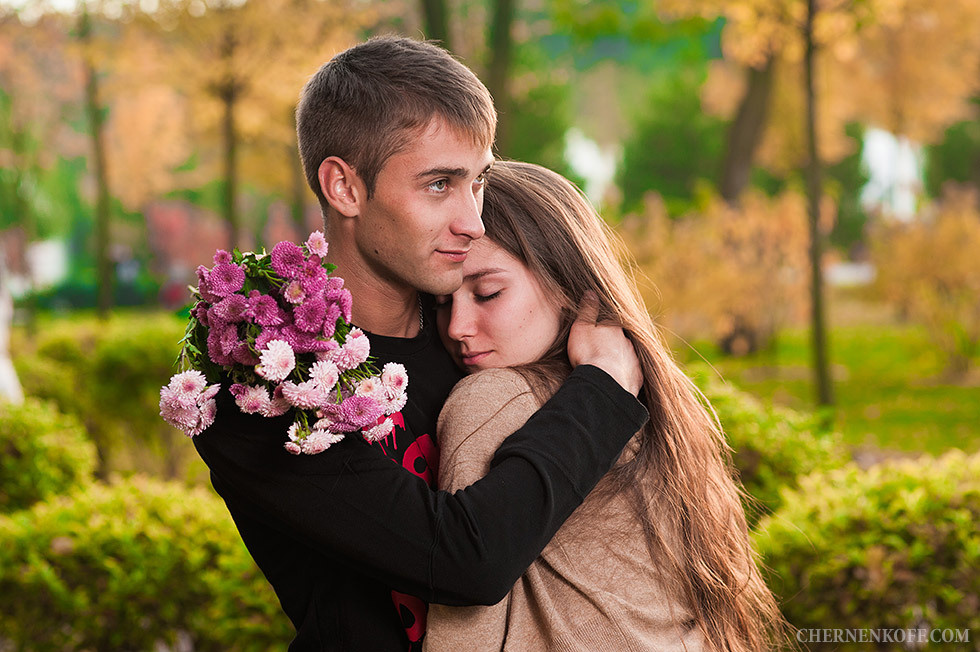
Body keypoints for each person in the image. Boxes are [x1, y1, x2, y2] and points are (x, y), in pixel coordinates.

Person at [191, 36, 647, 651]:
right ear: (344, 188)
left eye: (477, 181)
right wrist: (602, 393)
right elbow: (463, 561)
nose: (473, 220)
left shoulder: (471, 330)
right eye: (439, 185)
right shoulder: (258, 366)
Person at [425, 161, 788, 652]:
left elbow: (464, 626)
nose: (457, 327)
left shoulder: (492, 398)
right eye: (444, 302)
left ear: (567, 284)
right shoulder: (651, 400)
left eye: (487, 293)